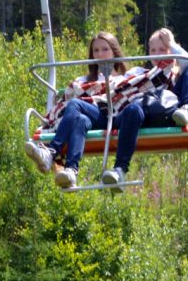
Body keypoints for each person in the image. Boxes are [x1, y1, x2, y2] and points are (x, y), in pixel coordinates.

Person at [100, 28, 188, 190]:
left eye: (162, 50)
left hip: (171, 114)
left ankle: (187, 110)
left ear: (171, 51)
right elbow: (120, 84)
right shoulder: (141, 73)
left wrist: (171, 44)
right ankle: (119, 170)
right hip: (146, 113)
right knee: (132, 110)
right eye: (153, 50)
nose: (157, 55)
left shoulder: (179, 75)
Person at [25, 32, 136, 189]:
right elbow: (65, 103)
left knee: (76, 104)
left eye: (105, 49)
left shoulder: (128, 76)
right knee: (80, 119)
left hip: (115, 117)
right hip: (94, 118)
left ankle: (51, 152)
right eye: (96, 51)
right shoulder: (83, 81)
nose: (100, 54)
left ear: (114, 51)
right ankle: (71, 170)